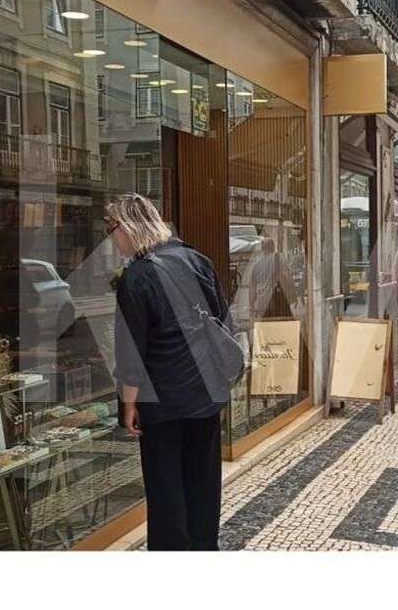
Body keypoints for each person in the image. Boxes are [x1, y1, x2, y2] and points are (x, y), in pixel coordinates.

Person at [108, 193, 231, 550]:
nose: (112, 237)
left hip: (160, 402)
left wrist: (128, 404)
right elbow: (222, 319)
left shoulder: (136, 276)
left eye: (112, 228)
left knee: (166, 491)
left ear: (129, 228)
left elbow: (131, 351)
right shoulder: (198, 260)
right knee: (203, 482)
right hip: (205, 393)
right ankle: (204, 549)